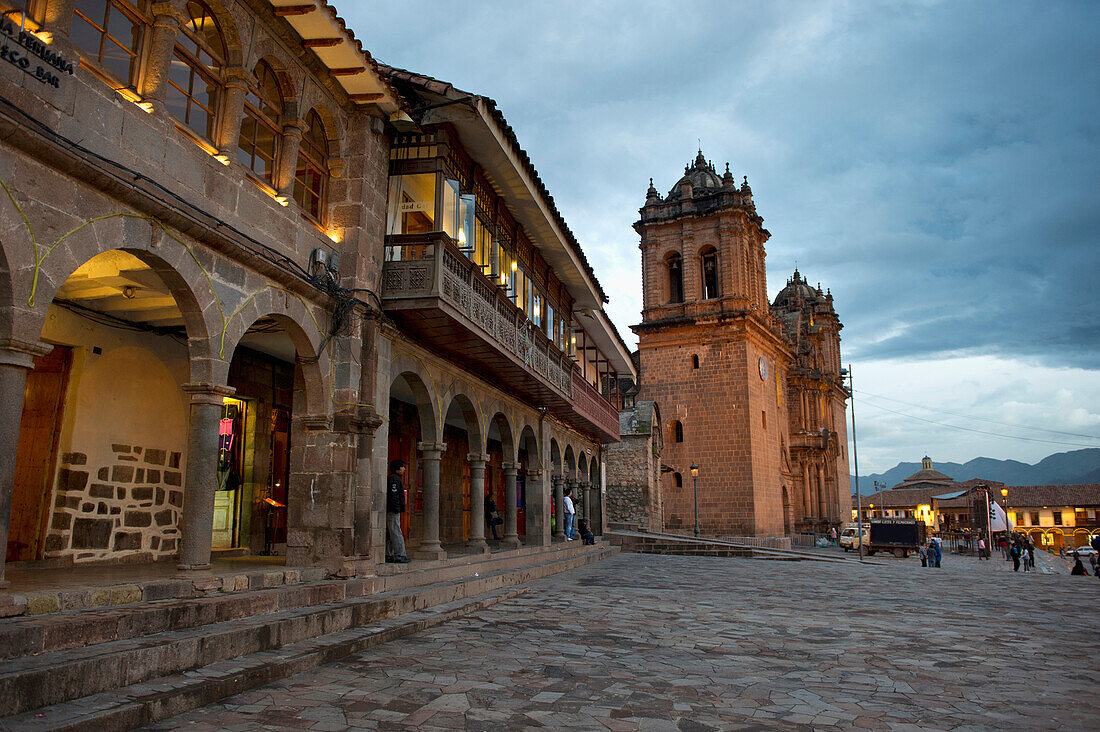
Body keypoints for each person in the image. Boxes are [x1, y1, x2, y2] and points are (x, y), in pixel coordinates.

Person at [386, 460, 410, 564]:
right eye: (402, 467)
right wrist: (397, 508)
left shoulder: (396, 479)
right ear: (397, 469)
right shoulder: (394, 480)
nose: (404, 469)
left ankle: (389, 554)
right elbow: (394, 495)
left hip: (393, 509)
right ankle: (400, 554)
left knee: (391, 532)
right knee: (396, 531)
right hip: (393, 510)